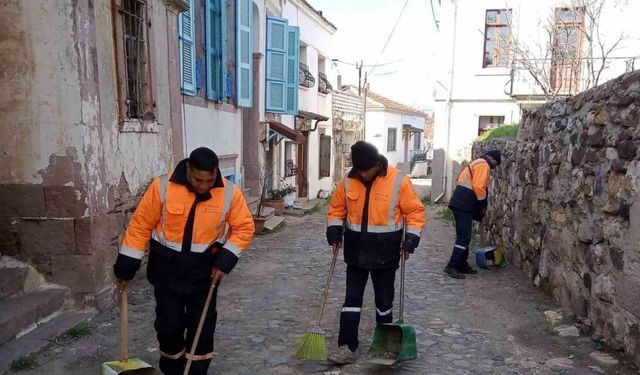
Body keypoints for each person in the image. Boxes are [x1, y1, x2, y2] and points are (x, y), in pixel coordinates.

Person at [113, 147, 255, 375]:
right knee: (169, 326)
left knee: (202, 328)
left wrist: (225, 261)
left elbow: (244, 228)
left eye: (209, 180)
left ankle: (196, 371)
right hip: (166, 270)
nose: (204, 186)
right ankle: (172, 369)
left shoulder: (229, 193)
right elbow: (140, 226)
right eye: (199, 179)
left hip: (205, 273)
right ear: (188, 169)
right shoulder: (162, 186)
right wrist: (127, 265)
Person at [326, 141, 426, 364]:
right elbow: (336, 209)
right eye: (359, 170)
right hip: (355, 252)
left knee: (384, 302)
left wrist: (411, 240)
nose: (363, 174)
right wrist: (334, 232)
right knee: (351, 300)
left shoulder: (398, 180)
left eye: (366, 170)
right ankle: (347, 346)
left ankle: (387, 347)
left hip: (386, 252)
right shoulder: (348, 180)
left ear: (376, 164)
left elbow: (416, 211)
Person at [444, 150, 501, 279]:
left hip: (461, 202)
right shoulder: (484, 165)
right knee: (464, 237)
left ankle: (462, 264)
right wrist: (481, 205)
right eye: (495, 164)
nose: (494, 167)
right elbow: (478, 186)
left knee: (464, 236)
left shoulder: (477, 162)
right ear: (493, 159)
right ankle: (452, 266)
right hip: (463, 204)